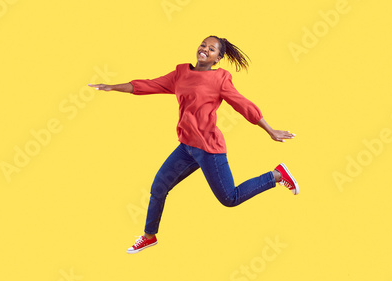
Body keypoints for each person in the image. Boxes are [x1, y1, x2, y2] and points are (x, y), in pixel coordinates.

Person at [89, 35, 299, 254]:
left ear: (218, 58)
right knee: (158, 188)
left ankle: (275, 175)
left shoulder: (220, 79)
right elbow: (149, 85)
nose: (205, 50)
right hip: (186, 147)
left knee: (230, 198)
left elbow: (242, 104)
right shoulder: (181, 74)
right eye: (203, 45)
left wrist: (269, 129)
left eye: (212, 49)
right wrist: (113, 87)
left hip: (209, 149)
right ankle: (149, 236)